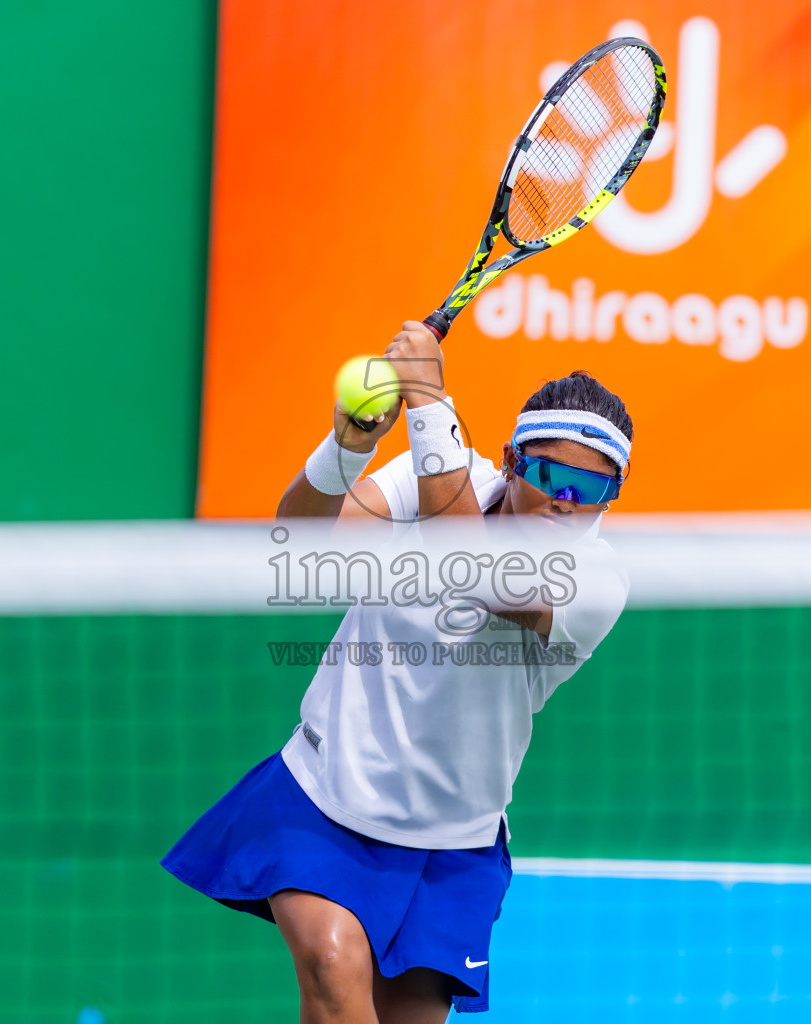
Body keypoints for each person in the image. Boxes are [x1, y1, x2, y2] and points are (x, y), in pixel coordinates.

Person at [164, 320, 632, 1022]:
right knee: (330, 961)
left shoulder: (596, 580)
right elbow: (302, 541)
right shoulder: (436, 474)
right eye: (551, 476)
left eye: (591, 489)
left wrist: (427, 402)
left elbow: (479, 573)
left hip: (454, 835)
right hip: (327, 793)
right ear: (510, 461)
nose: (566, 502)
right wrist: (347, 448)